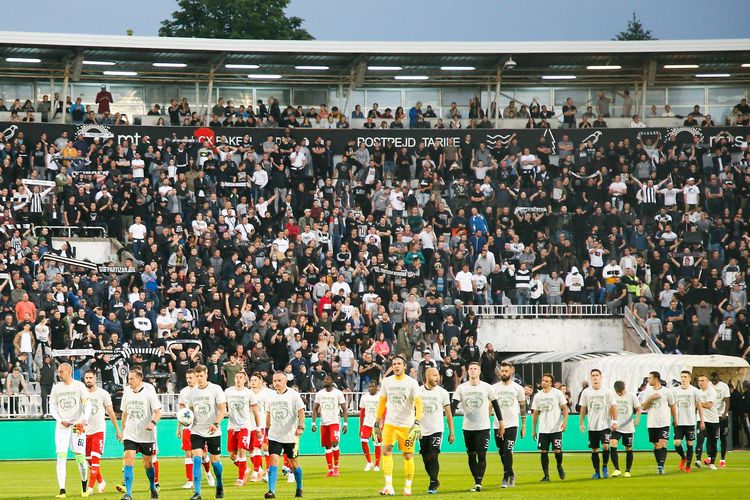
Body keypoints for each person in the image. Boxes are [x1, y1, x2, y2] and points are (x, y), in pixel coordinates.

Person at [374, 355, 423, 496]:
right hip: (390, 424)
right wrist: (377, 422)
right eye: (394, 364)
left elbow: (419, 403)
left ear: (404, 366)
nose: (396, 366)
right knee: (386, 451)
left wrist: (417, 421)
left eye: (399, 364)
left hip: (407, 426)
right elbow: (382, 402)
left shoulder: (412, 383)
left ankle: (408, 487)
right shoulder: (387, 382)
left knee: (408, 455)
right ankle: (389, 486)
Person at [452, 362, 504, 492]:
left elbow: (496, 405)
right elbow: (453, 406)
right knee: (471, 455)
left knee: (482, 454)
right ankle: (477, 480)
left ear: (479, 371)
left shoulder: (487, 387)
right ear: (468, 372)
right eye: (471, 369)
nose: (473, 371)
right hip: (467, 427)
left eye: (475, 369)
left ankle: (478, 482)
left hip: (483, 427)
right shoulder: (462, 388)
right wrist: (449, 421)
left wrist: (501, 422)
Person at [50, 362, 92, 498]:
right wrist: (60, 419)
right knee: (61, 456)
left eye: (61, 371)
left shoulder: (79, 386)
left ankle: (84, 484)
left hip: (77, 427)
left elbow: (88, 404)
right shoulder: (56, 388)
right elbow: (52, 407)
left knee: (80, 457)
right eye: (58, 371)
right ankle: (62, 490)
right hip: (62, 427)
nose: (59, 374)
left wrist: (84, 420)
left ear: (68, 372)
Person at [119, 367, 161, 500]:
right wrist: (123, 431)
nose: (129, 381)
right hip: (130, 433)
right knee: (128, 459)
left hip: (146, 435)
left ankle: (152, 486)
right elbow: (124, 414)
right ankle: (129, 494)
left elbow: (159, 412)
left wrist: (152, 423)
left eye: (131, 379)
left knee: (147, 464)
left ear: (139, 379)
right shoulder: (127, 393)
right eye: (128, 379)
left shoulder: (149, 393)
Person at [188, 364, 227, 500]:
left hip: (213, 430)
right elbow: (190, 411)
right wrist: (185, 420)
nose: (199, 378)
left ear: (206, 375)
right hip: (197, 430)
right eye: (196, 376)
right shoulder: (192, 392)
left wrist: (216, 423)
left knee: (215, 461)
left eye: (201, 376)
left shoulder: (216, 389)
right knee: (197, 458)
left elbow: (223, 409)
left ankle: (220, 484)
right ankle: (197, 492)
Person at [264, 371, 305, 499]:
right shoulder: (270, 396)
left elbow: (301, 412)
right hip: (275, 435)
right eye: (274, 381)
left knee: (294, 463)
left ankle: (299, 487)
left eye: (279, 381)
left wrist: (301, 426)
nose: (276, 383)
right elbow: (269, 414)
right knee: (274, 461)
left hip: (290, 436)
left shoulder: (294, 395)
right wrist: (267, 432)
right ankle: (271, 491)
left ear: (285, 381)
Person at [83, 369, 122, 495]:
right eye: (86, 378)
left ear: (95, 378)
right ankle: (101, 481)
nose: (88, 380)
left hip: (98, 431)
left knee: (95, 460)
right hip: (85, 432)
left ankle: (89, 488)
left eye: (90, 377)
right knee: (89, 461)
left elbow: (110, 412)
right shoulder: (81, 394)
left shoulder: (103, 394)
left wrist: (118, 430)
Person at [418, 367, 455, 494]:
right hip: (422, 430)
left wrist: (451, 431)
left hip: (437, 429)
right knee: (425, 458)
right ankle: (434, 479)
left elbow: (448, 413)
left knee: (433, 454)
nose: (437, 378)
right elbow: (413, 410)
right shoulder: (418, 392)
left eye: (438, 375)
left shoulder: (442, 392)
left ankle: (433, 483)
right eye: (434, 375)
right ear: (427, 376)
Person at [225, 371, 263, 486]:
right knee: (232, 455)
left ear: (245, 380)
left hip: (244, 426)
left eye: (241, 377)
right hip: (231, 426)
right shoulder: (228, 392)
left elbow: (256, 412)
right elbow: (221, 406)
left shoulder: (249, 393)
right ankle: (245, 469)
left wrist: (258, 428)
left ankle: (241, 479)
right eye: (236, 377)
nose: (238, 379)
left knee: (242, 451)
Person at [177, 369, 213, 490]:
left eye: (191, 377)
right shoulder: (184, 392)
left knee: (203, 455)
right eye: (187, 378)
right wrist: (179, 428)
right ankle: (190, 480)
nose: (189, 380)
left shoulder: (202, 390)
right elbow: (181, 412)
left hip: (200, 427)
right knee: (188, 453)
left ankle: (208, 473)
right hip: (187, 427)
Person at [578, 368, 617, 479]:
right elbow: (583, 408)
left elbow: (614, 406)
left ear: (600, 377)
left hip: (605, 424)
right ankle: (596, 471)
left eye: (597, 375)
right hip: (592, 425)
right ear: (591, 378)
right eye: (593, 375)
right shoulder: (586, 392)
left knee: (605, 446)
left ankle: (604, 467)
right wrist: (581, 423)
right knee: (594, 449)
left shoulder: (607, 391)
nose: (595, 377)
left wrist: (614, 421)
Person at [492, 361, 526, 488]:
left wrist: (524, 425)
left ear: (511, 371)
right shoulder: (494, 388)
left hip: (512, 424)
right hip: (497, 424)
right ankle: (511, 472)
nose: (504, 373)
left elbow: (522, 408)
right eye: (502, 370)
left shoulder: (518, 388)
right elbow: (490, 405)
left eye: (506, 371)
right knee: (502, 452)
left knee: (508, 450)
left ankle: (506, 477)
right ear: (499, 371)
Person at [531, 373, 568, 482]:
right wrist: (534, 430)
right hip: (543, 429)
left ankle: (559, 466)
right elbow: (535, 414)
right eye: (543, 380)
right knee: (543, 451)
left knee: (557, 450)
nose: (543, 382)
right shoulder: (538, 396)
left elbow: (565, 409)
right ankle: (546, 476)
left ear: (551, 383)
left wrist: (564, 422)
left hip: (556, 428)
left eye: (546, 381)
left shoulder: (557, 394)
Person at [640, 370, 677, 475]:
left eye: (649, 378)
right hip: (652, 422)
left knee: (663, 443)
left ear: (656, 379)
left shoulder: (667, 391)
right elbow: (643, 406)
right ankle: (659, 465)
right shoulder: (647, 391)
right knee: (656, 445)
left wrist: (675, 419)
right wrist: (651, 398)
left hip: (664, 422)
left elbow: (672, 405)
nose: (648, 380)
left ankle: (661, 465)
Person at [311, 375, 348, 477]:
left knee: (334, 442)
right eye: (325, 379)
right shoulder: (320, 394)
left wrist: (345, 423)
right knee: (327, 446)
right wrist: (313, 423)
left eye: (328, 379)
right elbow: (315, 408)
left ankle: (336, 468)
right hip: (323, 423)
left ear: (332, 381)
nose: (325, 381)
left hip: (335, 421)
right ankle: (330, 469)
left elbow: (344, 408)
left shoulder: (338, 393)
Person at [671, 370, 704, 473]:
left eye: (685, 377)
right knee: (677, 443)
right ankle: (683, 457)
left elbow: (699, 406)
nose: (683, 379)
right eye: (682, 377)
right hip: (679, 422)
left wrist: (702, 420)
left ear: (689, 378)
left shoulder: (695, 391)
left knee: (690, 443)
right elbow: (672, 406)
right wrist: (674, 418)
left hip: (690, 422)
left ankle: (688, 465)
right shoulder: (674, 391)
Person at [609, 380, 641, 477]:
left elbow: (638, 409)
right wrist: (611, 421)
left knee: (628, 448)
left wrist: (637, 419)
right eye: (618, 392)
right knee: (613, 444)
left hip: (628, 427)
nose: (620, 393)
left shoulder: (631, 396)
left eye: (621, 392)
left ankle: (628, 471)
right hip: (616, 427)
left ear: (624, 388)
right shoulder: (612, 396)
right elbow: (609, 409)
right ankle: (617, 469)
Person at [250, 373, 275, 481]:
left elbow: (267, 411)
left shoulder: (265, 395)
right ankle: (261, 469)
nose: (253, 382)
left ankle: (257, 472)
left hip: (261, 425)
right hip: (249, 425)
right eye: (251, 380)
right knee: (251, 450)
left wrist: (267, 425)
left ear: (260, 381)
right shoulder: (248, 393)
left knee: (259, 448)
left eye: (255, 380)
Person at [696, 374, 720, 470]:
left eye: (702, 380)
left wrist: (698, 404)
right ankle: (698, 460)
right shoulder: (697, 392)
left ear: (707, 382)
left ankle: (712, 463)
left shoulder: (711, 391)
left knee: (713, 442)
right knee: (700, 438)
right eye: (699, 381)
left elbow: (709, 405)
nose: (700, 383)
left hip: (713, 420)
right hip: (701, 419)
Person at [358, 379, 382, 472]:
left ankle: (377, 464)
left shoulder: (381, 397)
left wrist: (381, 425)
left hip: (377, 424)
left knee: (377, 444)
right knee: (363, 441)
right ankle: (369, 462)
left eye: (372, 387)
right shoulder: (364, 397)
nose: (370, 388)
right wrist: (360, 427)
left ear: (377, 387)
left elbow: (384, 411)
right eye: (369, 387)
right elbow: (362, 412)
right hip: (367, 423)